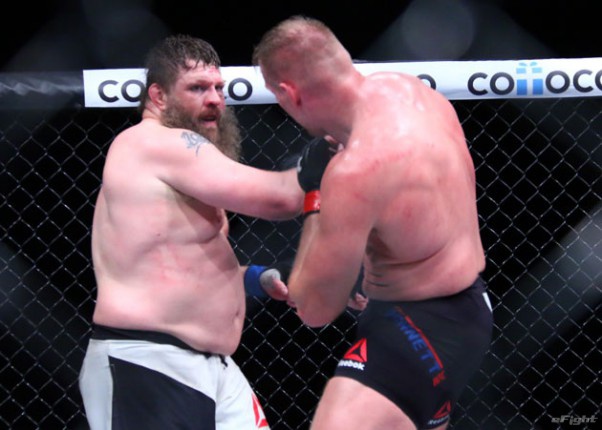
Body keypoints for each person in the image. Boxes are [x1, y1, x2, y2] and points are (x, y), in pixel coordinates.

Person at [253, 16, 494, 430]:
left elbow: (313, 308)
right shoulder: (413, 91)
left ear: (289, 94)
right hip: (464, 307)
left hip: (419, 327)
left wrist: (315, 191)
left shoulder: (355, 170)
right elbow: (409, 215)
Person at [78, 34, 311, 430]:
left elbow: (176, 266)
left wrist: (252, 278)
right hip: (148, 362)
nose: (215, 99)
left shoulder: (179, 166)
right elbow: (279, 200)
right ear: (159, 95)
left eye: (219, 88)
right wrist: (335, 148)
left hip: (212, 367)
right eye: (198, 88)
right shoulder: (150, 142)